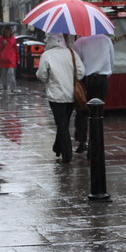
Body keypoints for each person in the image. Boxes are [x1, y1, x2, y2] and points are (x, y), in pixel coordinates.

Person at [36, 33, 84, 163]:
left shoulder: (47, 55)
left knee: (62, 124)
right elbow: (81, 72)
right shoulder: (71, 53)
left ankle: (67, 154)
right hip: (71, 95)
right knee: (64, 122)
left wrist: (49, 80)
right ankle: (58, 147)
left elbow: (41, 75)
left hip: (56, 96)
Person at [72, 33, 114, 154]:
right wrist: (106, 73)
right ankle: (94, 142)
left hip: (85, 79)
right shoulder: (106, 40)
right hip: (101, 78)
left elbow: (76, 65)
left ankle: (81, 141)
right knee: (97, 112)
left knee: (82, 110)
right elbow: (112, 60)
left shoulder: (79, 43)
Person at [0, 26, 19, 93]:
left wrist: (17, 59)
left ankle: (13, 89)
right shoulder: (1, 39)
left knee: (11, 74)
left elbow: (15, 50)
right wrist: (2, 44)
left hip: (11, 59)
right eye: (6, 31)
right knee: (4, 75)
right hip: (3, 59)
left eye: (9, 31)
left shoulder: (13, 39)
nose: (7, 33)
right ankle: (5, 88)